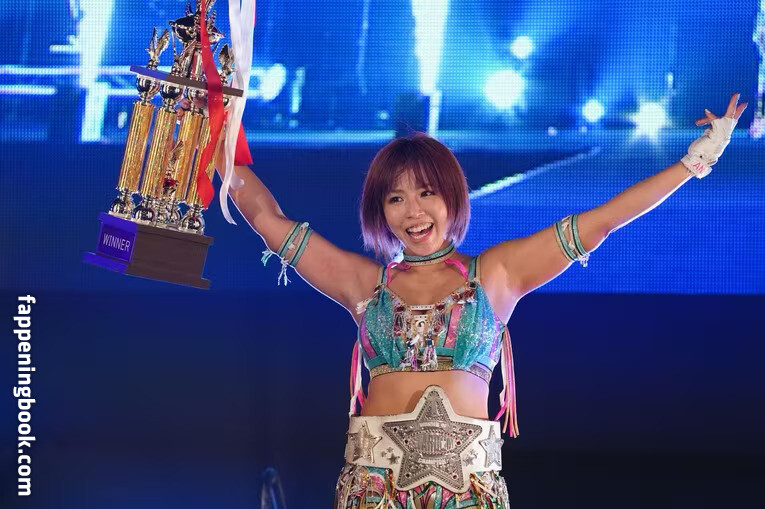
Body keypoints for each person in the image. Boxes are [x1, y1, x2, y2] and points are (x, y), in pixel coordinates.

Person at [212, 94, 747, 508]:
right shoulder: (364, 284)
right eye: (395, 198)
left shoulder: (496, 275)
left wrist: (695, 160)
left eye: (426, 192)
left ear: (452, 196)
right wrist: (214, 132)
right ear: (380, 211)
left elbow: (602, 222)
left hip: (469, 489)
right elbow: (267, 220)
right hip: (372, 490)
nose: (412, 211)